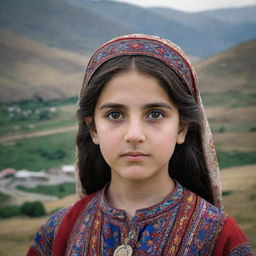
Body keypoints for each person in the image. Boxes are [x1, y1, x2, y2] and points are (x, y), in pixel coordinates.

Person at [27, 34, 253, 256]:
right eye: (115, 114)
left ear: (182, 128)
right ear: (93, 129)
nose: (134, 135)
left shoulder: (220, 237)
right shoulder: (58, 232)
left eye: (155, 114)